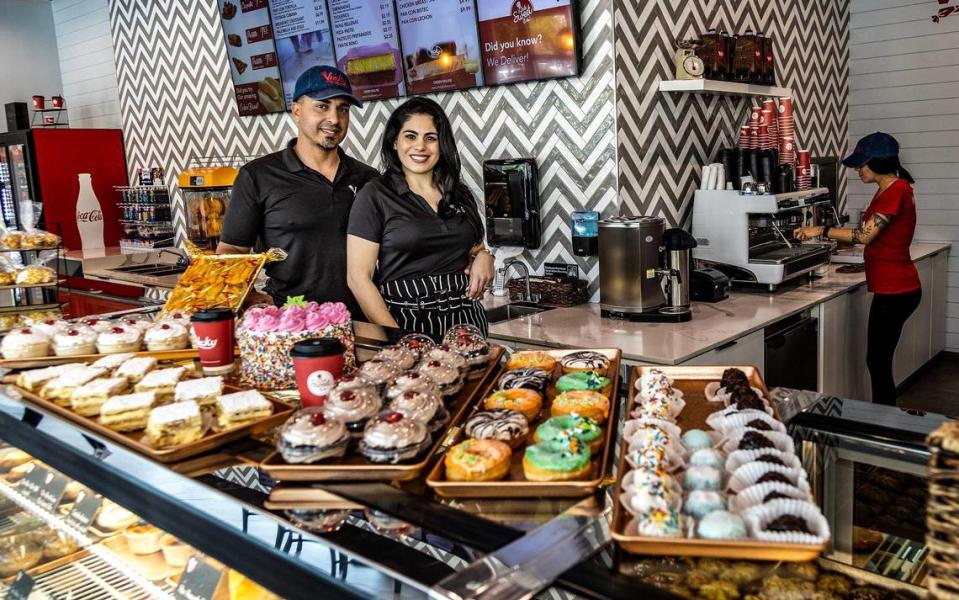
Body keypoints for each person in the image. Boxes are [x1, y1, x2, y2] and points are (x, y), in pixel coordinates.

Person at [217, 66, 377, 319]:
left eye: (343, 109)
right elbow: (230, 252)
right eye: (322, 106)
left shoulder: (369, 179)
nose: (334, 119)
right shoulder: (258, 176)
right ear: (297, 111)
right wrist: (246, 296)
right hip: (290, 321)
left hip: (359, 320)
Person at [346, 97, 494, 340]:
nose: (420, 146)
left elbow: (476, 248)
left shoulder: (458, 192)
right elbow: (358, 278)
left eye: (430, 138)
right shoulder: (375, 195)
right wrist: (399, 338)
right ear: (395, 142)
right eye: (410, 136)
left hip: (467, 322)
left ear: (441, 144)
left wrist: (485, 256)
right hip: (408, 322)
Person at [795, 132, 920, 406]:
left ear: (878, 162)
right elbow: (876, 237)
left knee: (877, 360)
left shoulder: (896, 190)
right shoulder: (890, 189)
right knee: (878, 359)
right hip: (895, 287)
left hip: (896, 290)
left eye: (861, 163)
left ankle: (882, 422)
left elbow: (865, 236)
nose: (857, 169)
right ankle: (883, 418)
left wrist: (822, 229)